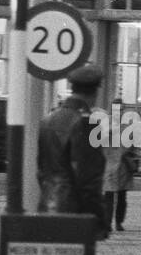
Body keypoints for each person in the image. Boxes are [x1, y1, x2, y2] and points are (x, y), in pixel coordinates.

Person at [37, 65, 108, 239]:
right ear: (95, 91)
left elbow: (41, 169)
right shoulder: (87, 123)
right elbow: (88, 178)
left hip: (47, 205)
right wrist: (98, 217)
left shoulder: (48, 120)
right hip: (75, 212)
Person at [102, 98, 140, 232]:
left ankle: (112, 222)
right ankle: (115, 222)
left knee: (113, 196)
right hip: (114, 164)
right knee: (114, 196)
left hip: (117, 165)